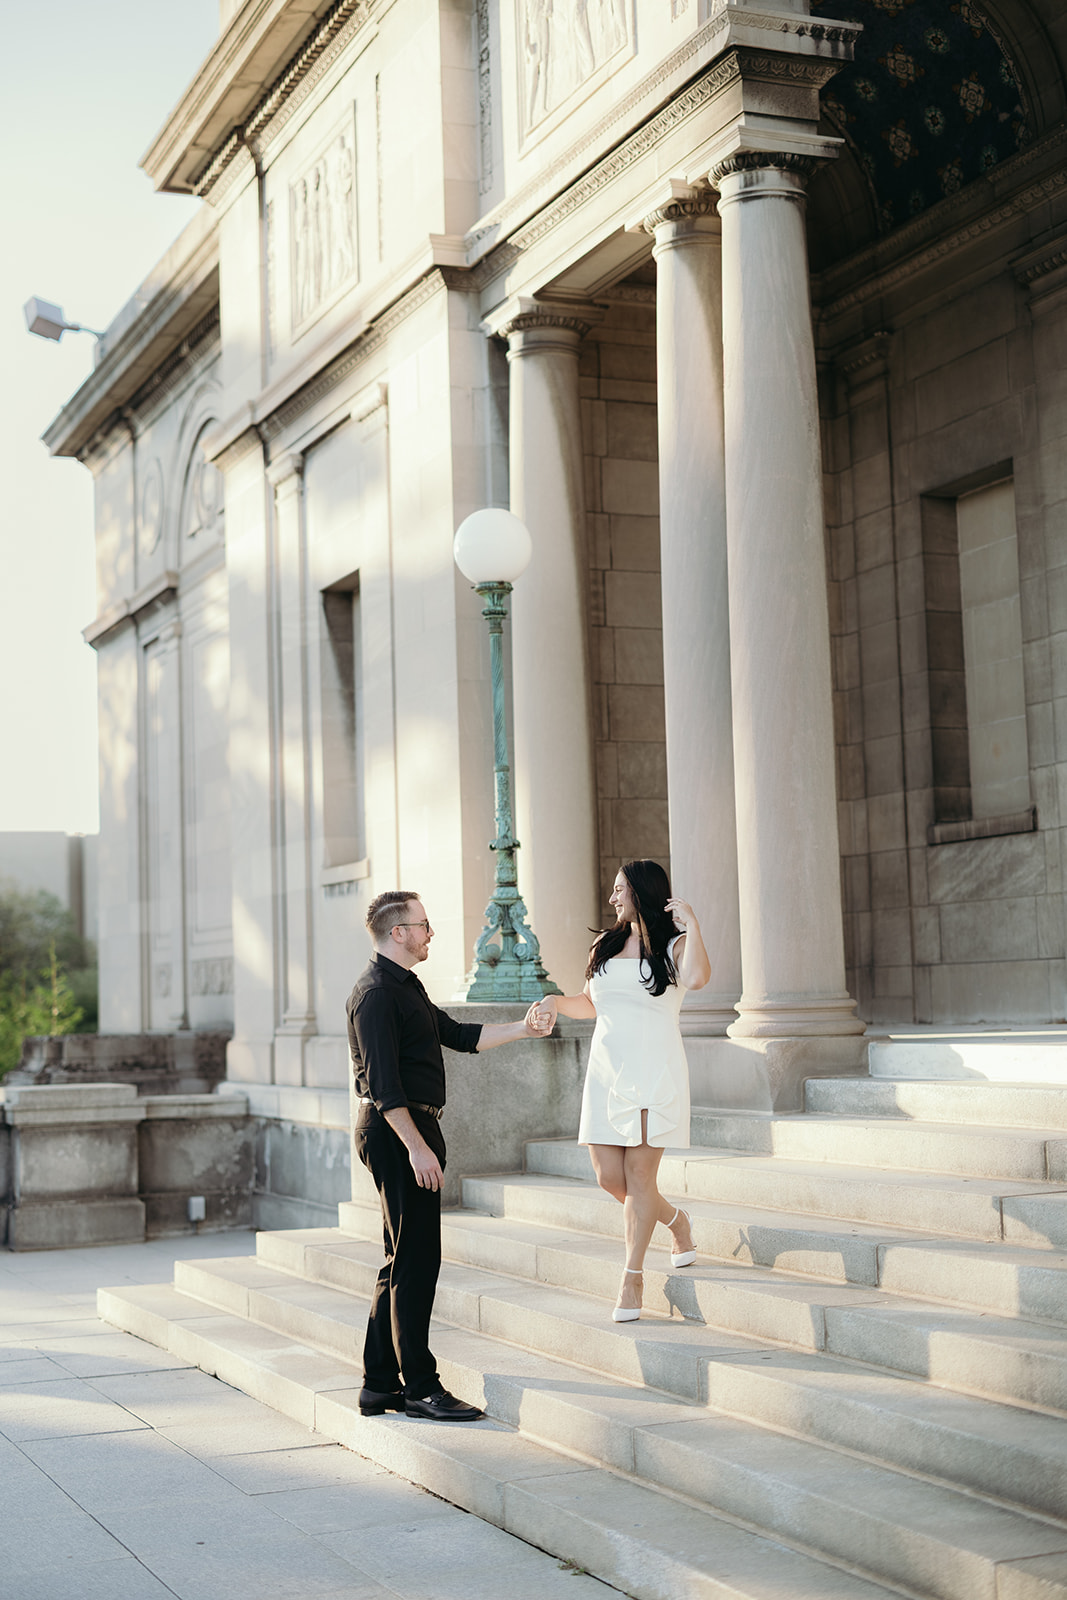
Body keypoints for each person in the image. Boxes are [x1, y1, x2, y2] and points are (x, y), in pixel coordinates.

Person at [348, 889, 546, 1420]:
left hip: (410, 1129)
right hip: (398, 1132)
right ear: (399, 933)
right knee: (416, 1262)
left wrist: (523, 1029)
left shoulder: (405, 986)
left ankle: (380, 1385)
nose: (430, 932)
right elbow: (384, 1086)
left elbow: (459, 1035)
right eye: (424, 924)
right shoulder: (375, 994)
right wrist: (416, 1148)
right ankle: (420, 1388)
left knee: (401, 1260)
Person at [528, 859, 711, 1322]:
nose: (612, 898)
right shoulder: (605, 944)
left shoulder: (675, 946)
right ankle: (676, 1221)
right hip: (607, 1072)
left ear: (641, 891)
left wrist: (694, 926)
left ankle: (632, 1279)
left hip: (656, 1071)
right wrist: (553, 1000)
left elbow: (697, 979)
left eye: (619, 890)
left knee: (639, 1177)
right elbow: (590, 1003)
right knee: (611, 1178)